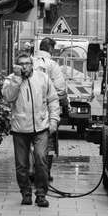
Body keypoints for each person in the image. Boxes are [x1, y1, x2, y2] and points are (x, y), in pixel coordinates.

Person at [2, 52, 60, 207]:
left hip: (41, 127)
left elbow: (53, 100)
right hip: (20, 129)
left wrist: (53, 121)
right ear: (16, 65)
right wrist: (17, 79)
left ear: (31, 64)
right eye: (21, 64)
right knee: (22, 165)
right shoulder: (11, 79)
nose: (24, 66)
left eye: (27, 63)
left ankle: (41, 194)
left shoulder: (43, 78)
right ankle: (26, 192)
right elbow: (8, 97)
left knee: (41, 159)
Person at [33, 37, 70, 180]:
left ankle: (31, 170)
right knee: (47, 143)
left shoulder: (28, 62)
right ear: (50, 49)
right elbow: (60, 90)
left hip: (28, 111)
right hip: (46, 112)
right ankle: (44, 173)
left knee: (30, 142)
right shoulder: (52, 65)